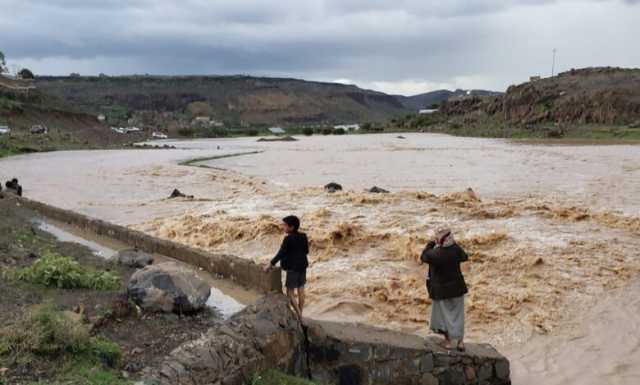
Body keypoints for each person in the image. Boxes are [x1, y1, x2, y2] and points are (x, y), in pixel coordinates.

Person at [421, 228, 468, 351]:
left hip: (442, 291)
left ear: (439, 241)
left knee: (443, 317)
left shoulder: (435, 254)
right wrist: (455, 244)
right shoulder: (455, 250)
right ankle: (460, 342)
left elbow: (423, 256)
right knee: (458, 316)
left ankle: (448, 342)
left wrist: (430, 244)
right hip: (457, 288)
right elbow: (464, 257)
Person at [264, 215, 309, 319]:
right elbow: (306, 251)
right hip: (303, 265)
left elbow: (281, 254)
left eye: (285, 225)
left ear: (291, 227)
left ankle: (299, 316)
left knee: (290, 292)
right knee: (301, 289)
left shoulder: (287, 239)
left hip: (293, 268)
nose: (283, 227)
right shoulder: (303, 236)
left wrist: (270, 265)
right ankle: (300, 313)